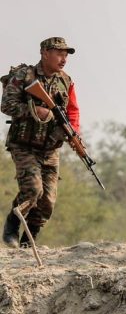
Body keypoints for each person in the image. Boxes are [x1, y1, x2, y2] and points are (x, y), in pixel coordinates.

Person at [1, 37, 82, 248]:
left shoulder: (66, 80)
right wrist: (34, 110)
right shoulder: (24, 76)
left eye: (66, 55)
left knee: (47, 202)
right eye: (59, 53)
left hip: (50, 148)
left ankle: (29, 241)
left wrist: (73, 132)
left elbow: (72, 111)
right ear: (45, 53)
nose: (63, 59)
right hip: (24, 145)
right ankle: (12, 225)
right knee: (33, 191)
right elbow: (6, 105)